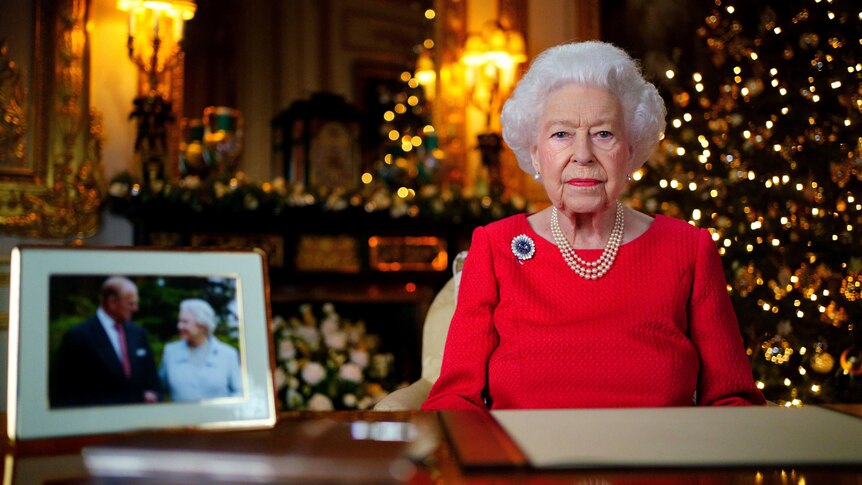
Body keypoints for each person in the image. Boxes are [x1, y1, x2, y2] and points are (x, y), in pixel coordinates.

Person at [422, 41, 766, 410]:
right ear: (536, 152)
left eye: (603, 134)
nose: (583, 154)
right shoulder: (495, 246)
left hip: (657, 463)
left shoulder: (687, 248)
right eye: (561, 134)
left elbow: (733, 398)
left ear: (630, 151)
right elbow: (455, 400)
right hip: (525, 463)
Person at [51, 276, 161, 407]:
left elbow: (153, 380)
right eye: (130, 303)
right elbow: (64, 391)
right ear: (112, 302)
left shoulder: (138, 334)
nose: (135, 309)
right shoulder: (78, 336)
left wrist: (154, 395)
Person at [159, 298, 243, 402]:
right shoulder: (170, 352)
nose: (179, 326)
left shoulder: (228, 354)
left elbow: (238, 392)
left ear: (202, 326)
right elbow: (158, 389)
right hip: (181, 418)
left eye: (185, 322)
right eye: (179, 321)